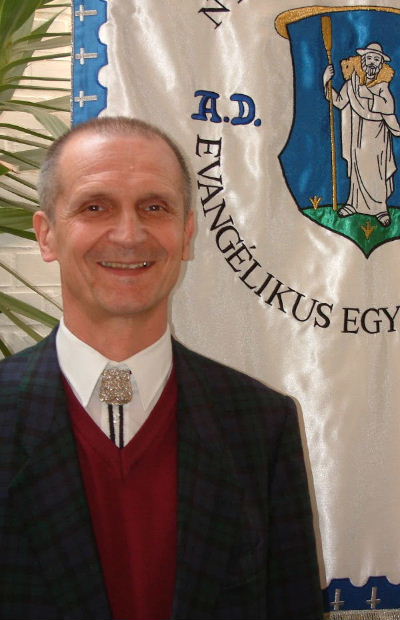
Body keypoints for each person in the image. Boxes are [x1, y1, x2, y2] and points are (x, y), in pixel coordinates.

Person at [0, 116, 323, 620]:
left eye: (155, 207)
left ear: (186, 233)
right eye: (95, 207)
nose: (129, 234)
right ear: (47, 235)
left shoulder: (261, 424)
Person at [323, 42, 400, 226]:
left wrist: (369, 95)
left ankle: (380, 208)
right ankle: (353, 204)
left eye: (376, 59)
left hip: (377, 136)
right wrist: (326, 82)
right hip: (356, 134)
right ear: (362, 61)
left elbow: (388, 107)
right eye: (369, 58)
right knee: (357, 170)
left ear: (381, 64)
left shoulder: (382, 86)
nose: (372, 62)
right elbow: (339, 102)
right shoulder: (352, 83)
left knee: (375, 171)